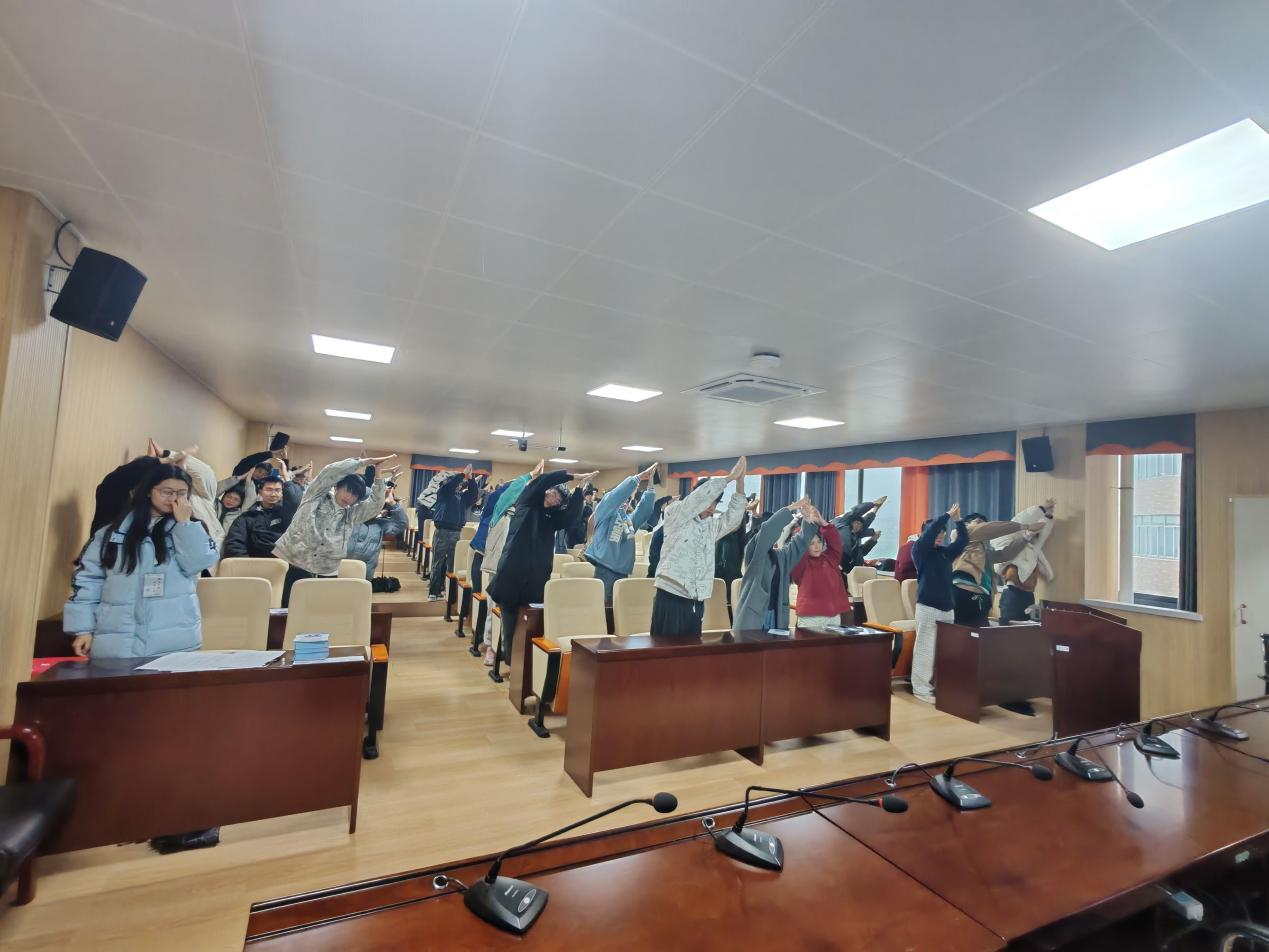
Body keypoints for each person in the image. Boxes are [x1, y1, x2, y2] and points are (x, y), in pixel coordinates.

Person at [488, 468, 596, 666]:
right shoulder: (527, 502)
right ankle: (512, 664)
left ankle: (526, 666)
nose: (556, 500)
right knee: (509, 624)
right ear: (547, 491)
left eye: (559, 500)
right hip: (511, 574)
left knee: (531, 624)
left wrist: (579, 491)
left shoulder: (552, 519)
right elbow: (544, 479)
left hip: (536, 579)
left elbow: (571, 517)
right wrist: (572, 477)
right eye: (555, 494)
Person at [272, 455, 393, 606]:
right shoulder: (315, 496)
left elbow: (375, 505)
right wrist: (363, 462)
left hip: (327, 569)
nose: (349, 496)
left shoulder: (350, 514)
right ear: (337, 486)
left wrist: (378, 473)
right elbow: (329, 472)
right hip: (297, 562)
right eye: (347, 490)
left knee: (321, 611)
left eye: (354, 495)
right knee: (290, 609)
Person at [651, 457, 747, 637]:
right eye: (709, 502)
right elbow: (698, 499)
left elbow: (733, 518)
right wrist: (729, 478)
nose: (712, 507)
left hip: (696, 599)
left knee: (692, 649)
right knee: (664, 650)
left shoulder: (710, 526)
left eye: (716, 503)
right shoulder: (676, 513)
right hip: (671, 594)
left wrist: (740, 482)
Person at [733, 497, 823, 632]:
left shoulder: (781, 555)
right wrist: (791, 508)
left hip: (776, 616)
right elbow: (767, 530)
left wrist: (807, 519)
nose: (777, 534)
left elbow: (800, 543)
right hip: (753, 619)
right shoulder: (752, 551)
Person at [911, 505, 969, 703]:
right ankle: (921, 689)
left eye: (942, 533)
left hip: (947, 607)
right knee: (925, 650)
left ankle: (941, 686)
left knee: (946, 651)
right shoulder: (919, 550)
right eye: (937, 532)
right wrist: (946, 516)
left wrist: (958, 521)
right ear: (924, 534)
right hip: (927, 606)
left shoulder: (945, 552)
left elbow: (963, 541)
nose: (939, 536)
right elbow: (930, 534)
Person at [950, 512, 1043, 627]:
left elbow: (1005, 554)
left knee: (979, 633)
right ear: (966, 524)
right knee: (961, 630)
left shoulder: (982, 552)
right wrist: (1025, 526)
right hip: (964, 593)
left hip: (982, 597)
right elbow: (992, 529)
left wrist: (1027, 536)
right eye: (979, 523)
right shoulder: (960, 534)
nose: (983, 527)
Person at [584, 462, 658, 602]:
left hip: (622, 570)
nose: (626, 502)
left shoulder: (627, 520)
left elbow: (644, 511)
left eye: (628, 500)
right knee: (604, 608)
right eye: (624, 498)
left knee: (618, 610)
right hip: (605, 569)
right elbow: (614, 497)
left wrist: (650, 487)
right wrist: (637, 478)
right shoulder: (604, 511)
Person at [994, 500, 1056, 624]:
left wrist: (1048, 516)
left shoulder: (1034, 549)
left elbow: (1043, 535)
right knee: (1008, 631)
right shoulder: (1010, 541)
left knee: (1026, 631)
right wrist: (1042, 509)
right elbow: (1020, 520)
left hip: (1028, 595)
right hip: (1012, 593)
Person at [427, 465, 479, 601]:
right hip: (442, 531)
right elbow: (450, 486)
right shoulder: (443, 492)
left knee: (452, 565)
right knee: (437, 563)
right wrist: (462, 475)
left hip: (456, 532)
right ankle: (433, 592)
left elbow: (474, 495)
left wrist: (471, 479)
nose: (458, 485)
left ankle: (448, 592)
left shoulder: (462, 498)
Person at [790, 516, 851, 630]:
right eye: (811, 543)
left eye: (819, 541)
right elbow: (799, 545)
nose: (817, 546)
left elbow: (836, 543)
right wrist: (806, 523)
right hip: (810, 617)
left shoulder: (830, 558)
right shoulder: (800, 564)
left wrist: (823, 523)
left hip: (833, 615)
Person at [221, 473, 291, 559]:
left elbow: (295, 500)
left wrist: (287, 479)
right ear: (260, 492)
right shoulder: (247, 517)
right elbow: (235, 543)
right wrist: (249, 564)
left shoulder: (287, 514)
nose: (273, 494)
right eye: (269, 490)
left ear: (282, 493)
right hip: (254, 563)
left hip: (284, 563)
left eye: (277, 490)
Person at [346, 483, 408, 580]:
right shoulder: (347, 519)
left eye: (376, 506)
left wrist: (392, 503)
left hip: (366, 572)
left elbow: (401, 524)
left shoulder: (380, 524)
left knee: (362, 588)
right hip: (340, 567)